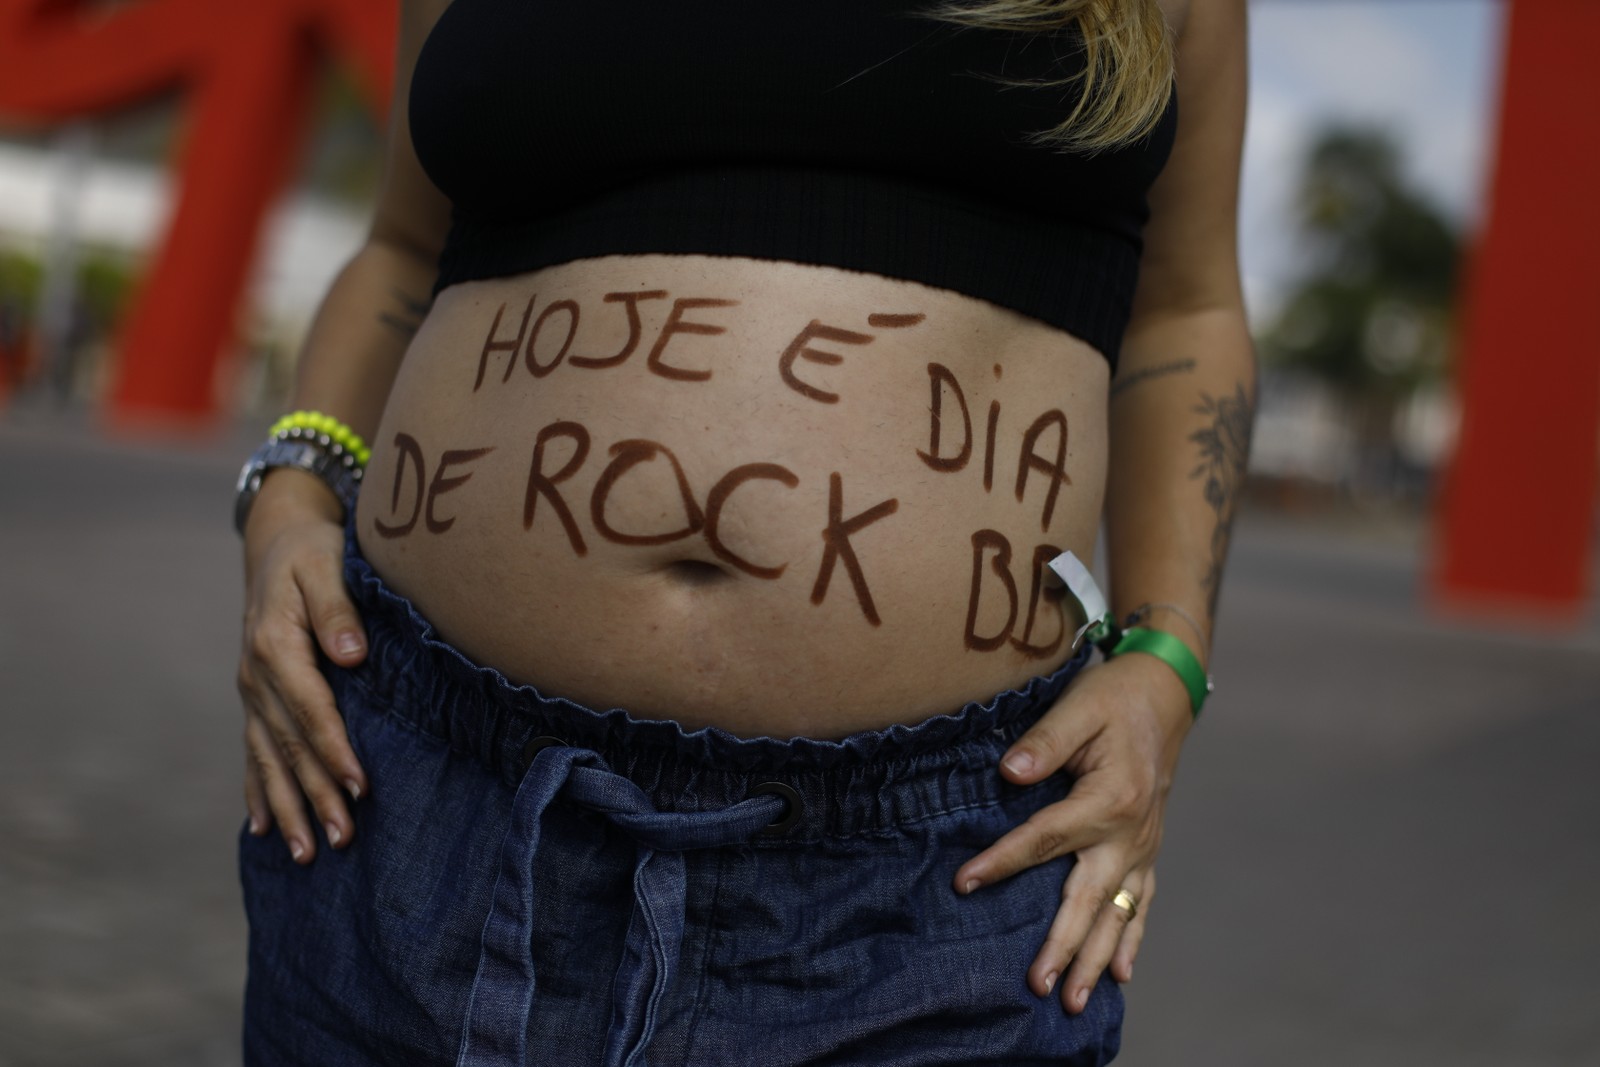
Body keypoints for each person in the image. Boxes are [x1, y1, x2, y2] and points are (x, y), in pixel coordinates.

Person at [234, 0, 1252, 1062]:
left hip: (922, 875)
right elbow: (403, 247)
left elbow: (1189, 313)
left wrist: (1169, 654)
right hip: (410, 794)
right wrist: (291, 489)